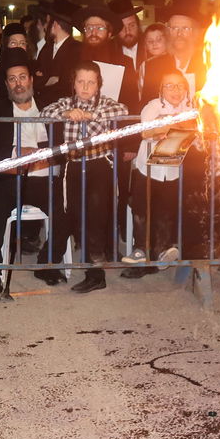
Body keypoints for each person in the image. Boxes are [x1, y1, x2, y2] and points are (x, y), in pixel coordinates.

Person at [0, 51, 72, 300]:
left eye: (22, 77)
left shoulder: (51, 106)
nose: (18, 83)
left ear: (31, 79)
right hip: (10, 179)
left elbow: (63, 144)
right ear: (7, 83)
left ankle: (47, 264)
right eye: (12, 79)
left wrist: (43, 154)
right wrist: (16, 152)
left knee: (66, 205)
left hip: (45, 178)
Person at [40, 63, 129, 293]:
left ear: (99, 84)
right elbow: (44, 112)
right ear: (74, 83)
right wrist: (65, 114)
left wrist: (91, 115)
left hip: (99, 164)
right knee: (63, 214)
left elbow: (123, 111)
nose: (86, 86)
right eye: (81, 81)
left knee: (95, 216)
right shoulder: (66, 103)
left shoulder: (106, 103)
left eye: (91, 82)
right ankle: (47, 263)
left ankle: (95, 273)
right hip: (72, 165)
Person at [122, 69, 195, 276]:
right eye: (169, 85)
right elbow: (145, 132)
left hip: (172, 169)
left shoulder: (189, 109)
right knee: (142, 211)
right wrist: (170, 126)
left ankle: (161, 251)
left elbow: (193, 135)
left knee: (165, 213)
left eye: (180, 85)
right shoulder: (153, 106)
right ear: (161, 89)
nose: (175, 90)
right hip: (148, 169)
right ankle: (140, 249)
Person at [34, 0, 81, 104]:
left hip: (65, 110)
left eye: (47, 22)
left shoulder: (77, 50)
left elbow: (68, 85)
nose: (45, 27)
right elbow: (34, 80)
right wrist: (50, 80)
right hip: (42, 108)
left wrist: (44, 80)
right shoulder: (46, 49)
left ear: (55, 25)